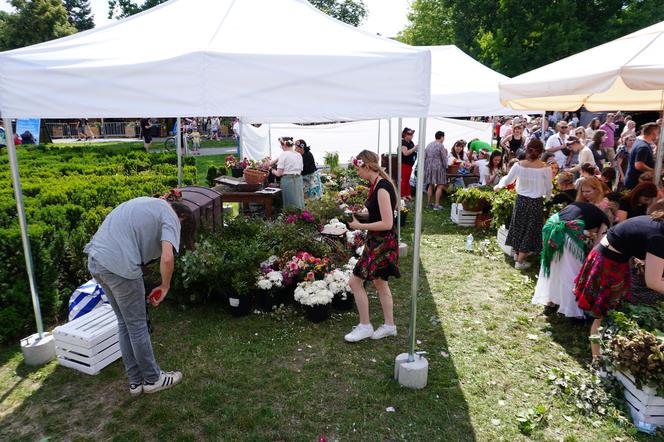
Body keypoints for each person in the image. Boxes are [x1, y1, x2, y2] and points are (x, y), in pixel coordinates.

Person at [85, 192, 194, 395]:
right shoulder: (170, 215)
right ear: (182, 217)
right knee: (137, 326)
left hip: (96, 261)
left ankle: (135, 382)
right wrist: (165, 286)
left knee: (125, 324)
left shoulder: (148, 205)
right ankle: (153, 379)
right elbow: (168, 259)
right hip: (120, 267)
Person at [574, 200, 664, 358]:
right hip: (608, 262)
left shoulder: (656, 221)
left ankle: (602, 355)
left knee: (608, 313)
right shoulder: (659, 237)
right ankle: (597, 360)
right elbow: (653, 282)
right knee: (603, 314)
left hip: (611, 257)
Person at [345, 150, 400, 342]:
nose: (357, 173)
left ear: (366, 166)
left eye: (358, 169)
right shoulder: (376, 184)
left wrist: (359, 225)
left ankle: (365, 326)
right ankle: (389, 326)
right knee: (380, 283)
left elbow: (387, 223)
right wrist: (361, 216)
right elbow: (380, 217)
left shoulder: (382, 187)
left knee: (355, 282)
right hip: (379, 241)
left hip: (382, 243)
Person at [533, 201, 610, 318]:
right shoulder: (605, 220)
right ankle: (573, 311)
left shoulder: (584, 207)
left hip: (550, 226)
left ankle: (551, 300)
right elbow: (597, 247)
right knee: (573, 273)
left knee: (554, 267)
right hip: (566, 232)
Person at [495, 139, 553, 270]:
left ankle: (517, 255)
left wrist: (499, 186)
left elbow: (508, 179)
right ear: (541, 152)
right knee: (530, 230)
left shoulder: (519, 165)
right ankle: (520, 261)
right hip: (535, 202)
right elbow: (548, 187)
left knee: (519, 226)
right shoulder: (545, 168)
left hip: (521, 200)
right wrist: (548, 199)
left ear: (527, 150)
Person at [624, 122, 659, 190]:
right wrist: (654, 171)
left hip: (634, 181)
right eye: (657, 133)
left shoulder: (639, 141)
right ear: (653, 133)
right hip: (636, 182)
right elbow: (639, 165)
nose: (658, 135)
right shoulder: (643, 147)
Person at [273, 137, 304, 209]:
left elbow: (278, 173)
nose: (281, 147)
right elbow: (300, 169)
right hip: (298, 179)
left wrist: (272, 170)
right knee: (298, 201)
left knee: (290, 203)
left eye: (281, 145)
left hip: (288, 181)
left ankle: (292, 218)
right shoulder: (298, 155)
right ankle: (301, 217)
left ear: (284, 145)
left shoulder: (284, 154)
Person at [423, 131, 447, 210]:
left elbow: (424, 156)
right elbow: (444, 158)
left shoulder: (429, 144)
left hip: (429, 167)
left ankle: (429, 204)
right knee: (440, 185)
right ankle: (436, 205)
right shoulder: (441, 146)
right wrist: (446, 166)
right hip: (438, 167)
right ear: (442, 137)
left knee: (430, 185)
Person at [400, 127, 417, 200]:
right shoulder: (402, 142)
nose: (411, 135)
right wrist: (415, 148)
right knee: (404, 180)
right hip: (404, 164)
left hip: (409, 164)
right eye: (410, 134)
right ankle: (402, 195)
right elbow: (405, 153)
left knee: (407, 180)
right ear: (405, 134)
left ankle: (407, 194)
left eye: (412, 134)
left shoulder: (411, 142)